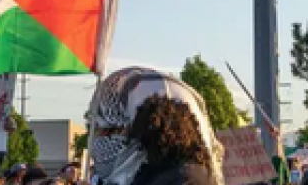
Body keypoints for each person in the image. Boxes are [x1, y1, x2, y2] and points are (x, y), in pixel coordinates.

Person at [86, 67, 224, 185]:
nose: (96, 140)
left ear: (138, 134)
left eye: (109, 131)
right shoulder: (179, 175)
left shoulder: (176, 180)